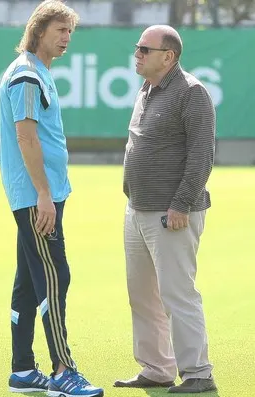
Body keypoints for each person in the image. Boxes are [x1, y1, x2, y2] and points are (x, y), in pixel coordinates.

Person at [0, 1, 104, 396]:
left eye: (70, 32)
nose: (66, 39)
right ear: (38, 30)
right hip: (35, 196)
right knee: (55, 276)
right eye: (60, 30)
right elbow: (25, 137)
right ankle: (63, 370)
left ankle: (23, 370)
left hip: (43, 193)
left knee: (28, 281)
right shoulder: (26, 75)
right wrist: (43, 193)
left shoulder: (38, 71)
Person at [114, 25, 217, 394]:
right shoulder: (147, 89)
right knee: (141, 294)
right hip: (138, 210)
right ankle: (157, 368)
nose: (137, 54)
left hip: (172, 214)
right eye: (137, 47)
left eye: (144, 48)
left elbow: (202, 156)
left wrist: (180, 204)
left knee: (177, 293)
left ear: (168, 56)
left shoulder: (192, 92)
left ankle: (199, 373)